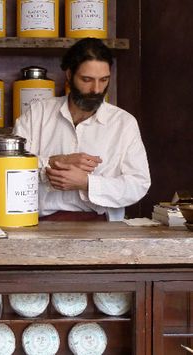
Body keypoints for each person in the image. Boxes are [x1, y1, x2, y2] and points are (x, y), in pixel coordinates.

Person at [13, 38, 150, 221]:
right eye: (87, 79)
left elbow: (138, 185)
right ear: (69, 74)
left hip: (104, 228)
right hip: (39, 225)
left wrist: (87, 183)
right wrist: (53, 162)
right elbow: (11, 168)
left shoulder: (124, 123)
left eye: (104, 80)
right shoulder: (38, 114)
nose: (96, 89)